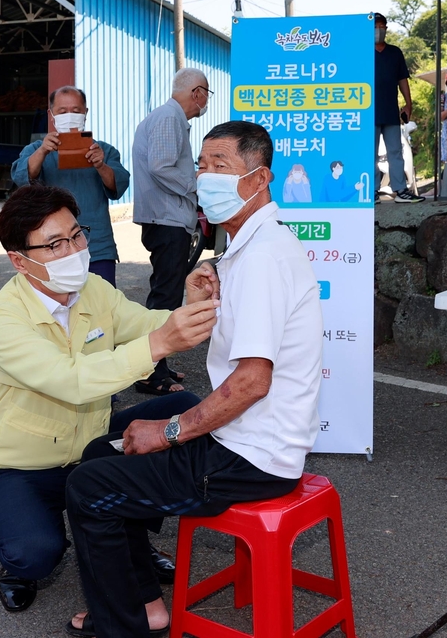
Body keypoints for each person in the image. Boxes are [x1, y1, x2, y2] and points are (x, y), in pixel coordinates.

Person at [64, 121, 324, 638]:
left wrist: (169, 432)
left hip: (252, 457)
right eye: (202, 165)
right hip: (248, 438)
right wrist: (199, 301)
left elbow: (251, 383)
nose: (206, 176)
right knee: (101, 454)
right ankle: (144, 603)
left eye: (221, 166)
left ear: (259, 178)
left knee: (88, 486)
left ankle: (124, 626)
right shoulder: (248, 247)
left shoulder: (264, 258)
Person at [0, 185, 220, 614]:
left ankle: (130, 536)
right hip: (23, 465)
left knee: (183, 411)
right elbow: (70, 381)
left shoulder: (93, 289)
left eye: (76, 235)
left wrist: (188, 307)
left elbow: (146, 326)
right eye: (54, 244)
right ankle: (20, 562)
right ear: (18, 261)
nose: (73, 250)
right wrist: (160, 341)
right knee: (35, 552)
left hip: (90, 448)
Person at [132, 67, 210, 395]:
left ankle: (157, 365)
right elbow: (161, 166)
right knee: (164, 297)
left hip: (168, 219)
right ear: (196, 93)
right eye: (207, 92)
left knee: (166, 294)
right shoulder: (169, 117)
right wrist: (197, 186)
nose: (206, 100)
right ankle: (149, 370)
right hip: (166, 220)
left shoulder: (170, 118)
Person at [12, 86, 130, 287]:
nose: (69, 116)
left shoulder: (103, 150)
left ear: (86, 113)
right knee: (59, 308)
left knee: (103, 306)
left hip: (97, 246)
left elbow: (118, 185)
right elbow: (21, 177)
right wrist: (42, 152)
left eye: (76, 111)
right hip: (52, 248)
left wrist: (101, 165)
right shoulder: (36, 150)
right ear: (51, 115)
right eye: (62, 111)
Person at [374, 13, 425, 203]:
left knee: (395, 151)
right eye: (375, 26)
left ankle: (400, 190)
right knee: (369, 154)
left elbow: (402, 79)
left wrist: (408, 103)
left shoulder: (395, 52)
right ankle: (372, 192)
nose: (379, 30)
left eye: (382, 26)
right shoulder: (362, 51)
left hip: (391, 112)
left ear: (386, 29)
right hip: (369, 112)